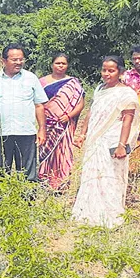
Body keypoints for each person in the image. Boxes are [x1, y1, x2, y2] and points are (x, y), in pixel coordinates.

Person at [72, 56, 140, 228]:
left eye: (111, 70)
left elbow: (127, 121)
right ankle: (89, 214)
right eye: (104, 70)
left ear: (121, 72)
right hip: (95, 141)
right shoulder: (100, 89)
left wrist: (121, 145)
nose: (107, 74)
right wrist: (82, 133)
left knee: (111, 177)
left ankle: (110, 216)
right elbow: (92, 111)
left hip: (113, 141)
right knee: (92, 175)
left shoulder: (126, 93)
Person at [0, 43, 48, 182]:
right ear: (3, 61)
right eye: (14, 59)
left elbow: (39, 105)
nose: (18, 62)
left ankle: (28, 201)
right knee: (1, 171)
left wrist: (42, 129)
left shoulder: (31, 78)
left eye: (21, 59)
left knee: (28, 172)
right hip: (1, 133)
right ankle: (2, 202)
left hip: (26, 133)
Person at [38, 53, 85, 189]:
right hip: (48, 123)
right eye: (58, 63)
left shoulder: (73, 83)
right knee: (46, 150)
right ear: (52, 64)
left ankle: (61, 182)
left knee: (63, 151)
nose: (60, 66)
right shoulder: (42, 82)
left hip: (65, 125)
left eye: (63, 63)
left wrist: (69, 116)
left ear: (67, 65)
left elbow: (80, 103)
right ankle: (44, 179)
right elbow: (38, 104)